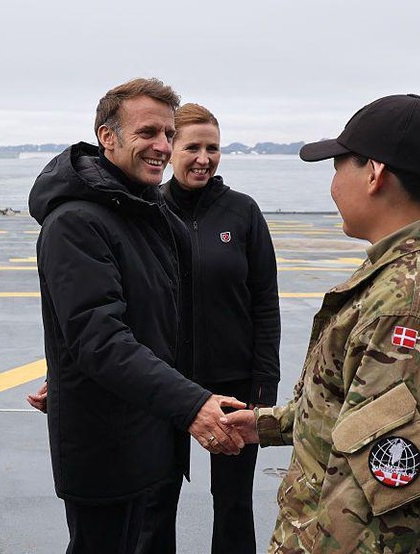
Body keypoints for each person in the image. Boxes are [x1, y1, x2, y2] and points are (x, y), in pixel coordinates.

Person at [223, 94, 420, 552]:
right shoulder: (407, 276)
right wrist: (264, 424)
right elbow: (352, 412)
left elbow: (377, 511)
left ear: (374, 173)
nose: (333, 185)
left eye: (338, 167)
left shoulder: (406, 307)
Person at [28, 78, 246, 554]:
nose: (162, 146)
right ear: (108, 137)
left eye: (168, 134)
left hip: (153, 437)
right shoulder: (76, 222)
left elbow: (156, 320)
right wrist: (191, 404)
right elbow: (99, 340)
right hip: (108, 451)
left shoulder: (144, 210)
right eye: (148, 132)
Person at [160, 103, 281, 554]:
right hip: (165, 383)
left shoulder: (242, 212)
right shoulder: (149, 209)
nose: (203, 158)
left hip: (235, 386)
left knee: (233, 504)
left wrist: (263, 387)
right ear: (170, 149)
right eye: (192, 147)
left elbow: (265, 302)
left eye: (212, 148)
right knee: (155, 499)